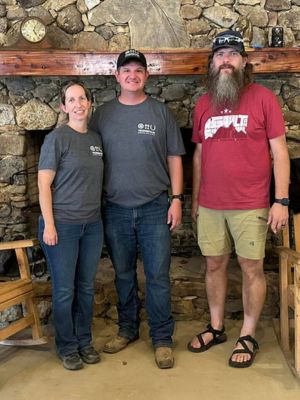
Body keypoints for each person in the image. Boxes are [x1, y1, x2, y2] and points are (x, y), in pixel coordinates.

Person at [187, 30, 290, 368]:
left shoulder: (263, 98)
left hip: (252, 203)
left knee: (251, 268)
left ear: (244, 61)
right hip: (212, 203)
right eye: (220, 55)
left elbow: (280, 152)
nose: (226, 59)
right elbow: (199, 156)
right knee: (214, 264)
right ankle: (216, 327)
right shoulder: (203, 103)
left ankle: (247, 333)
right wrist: (196, 199)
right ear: (212, 64)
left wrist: (282, 200)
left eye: (232, 54)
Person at [90, 49, 185, 369]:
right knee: (124, 275)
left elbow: (175, 158)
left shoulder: (161, 113)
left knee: (158, 276)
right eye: (126, 70)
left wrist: (176, 199)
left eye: (138, 70)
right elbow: (88, 157)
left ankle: (161, 338)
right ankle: (127, 329)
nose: (132, 74)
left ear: (147, 75)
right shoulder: (101, 115)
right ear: (116, 76)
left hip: (155, 208)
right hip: (115, 209)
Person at [38, 81, 104, 371]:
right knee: (65, 290)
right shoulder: (57, 139)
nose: (78, 104)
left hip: (92, 225)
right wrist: (49, 225)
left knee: (86, 288)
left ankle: (84, 341)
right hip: (62, 226)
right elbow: (43, 185)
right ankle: (67, 346)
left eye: (82, 98)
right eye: (71, 99)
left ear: (89, 103)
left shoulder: (96, 139)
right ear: (63, 107)